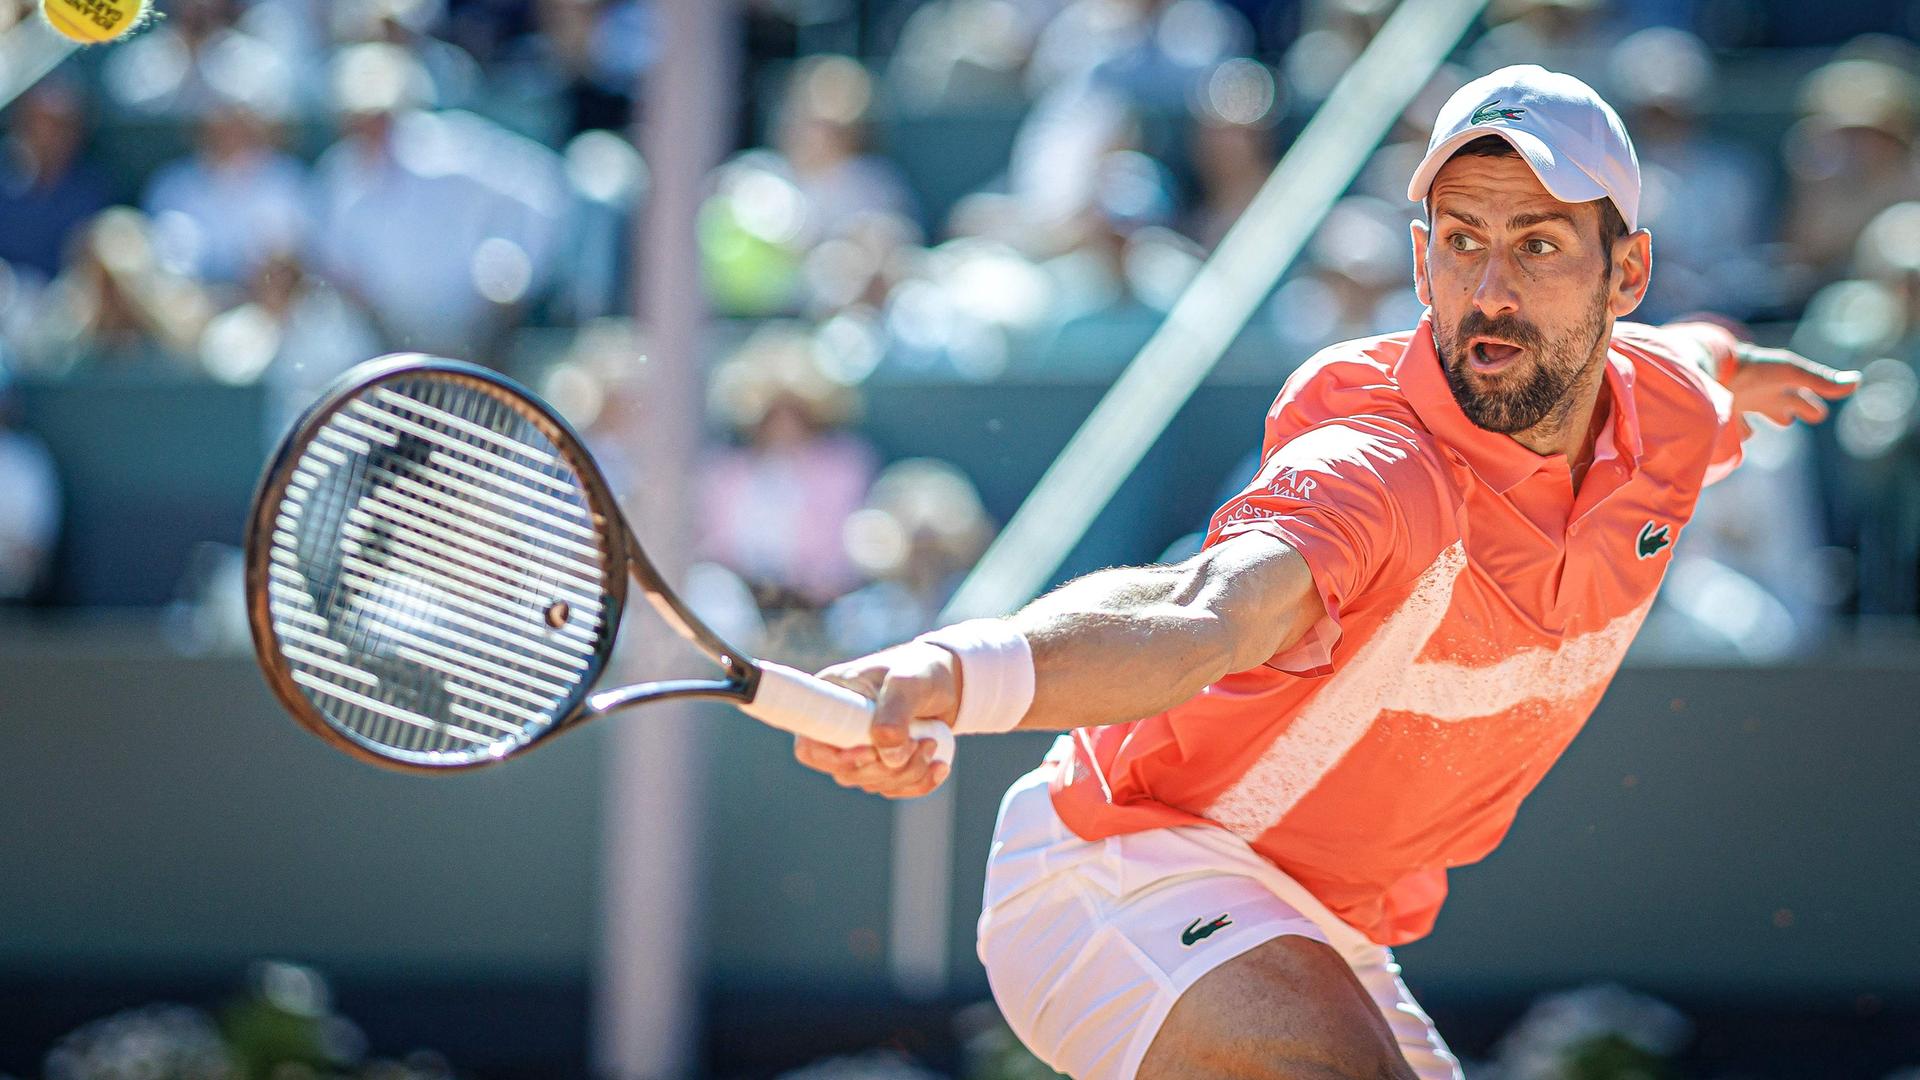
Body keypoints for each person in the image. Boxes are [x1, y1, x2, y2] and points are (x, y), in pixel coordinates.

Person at [790, 66, 1860, 1079]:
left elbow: (1698, 364)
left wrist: (1742, 367)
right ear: (1418, 259)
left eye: (1538, 246)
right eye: (1461, 242)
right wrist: (953, 669)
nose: (1489, 291)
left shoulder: (1670, 403)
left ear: (1627, 273)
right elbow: (1192, 616)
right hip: (1116, 868)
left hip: (1312, 922)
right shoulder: (1377, 465)